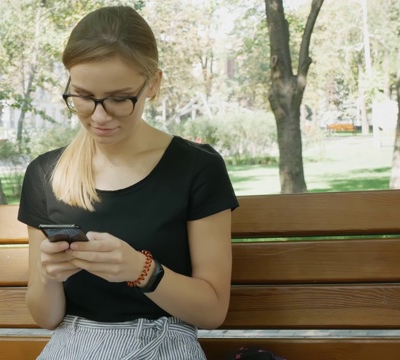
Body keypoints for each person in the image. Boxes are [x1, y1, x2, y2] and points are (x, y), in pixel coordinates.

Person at [17, 6, 239, 359]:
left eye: (119, 99)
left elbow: (212, 311)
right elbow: (46, 318)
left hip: (161, 343)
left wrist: (141, 270)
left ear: (153, 84)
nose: (99, 116)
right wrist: (48, 275)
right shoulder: (47, 174)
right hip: (71, 345)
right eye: (84, 97)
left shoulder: (197, 168)